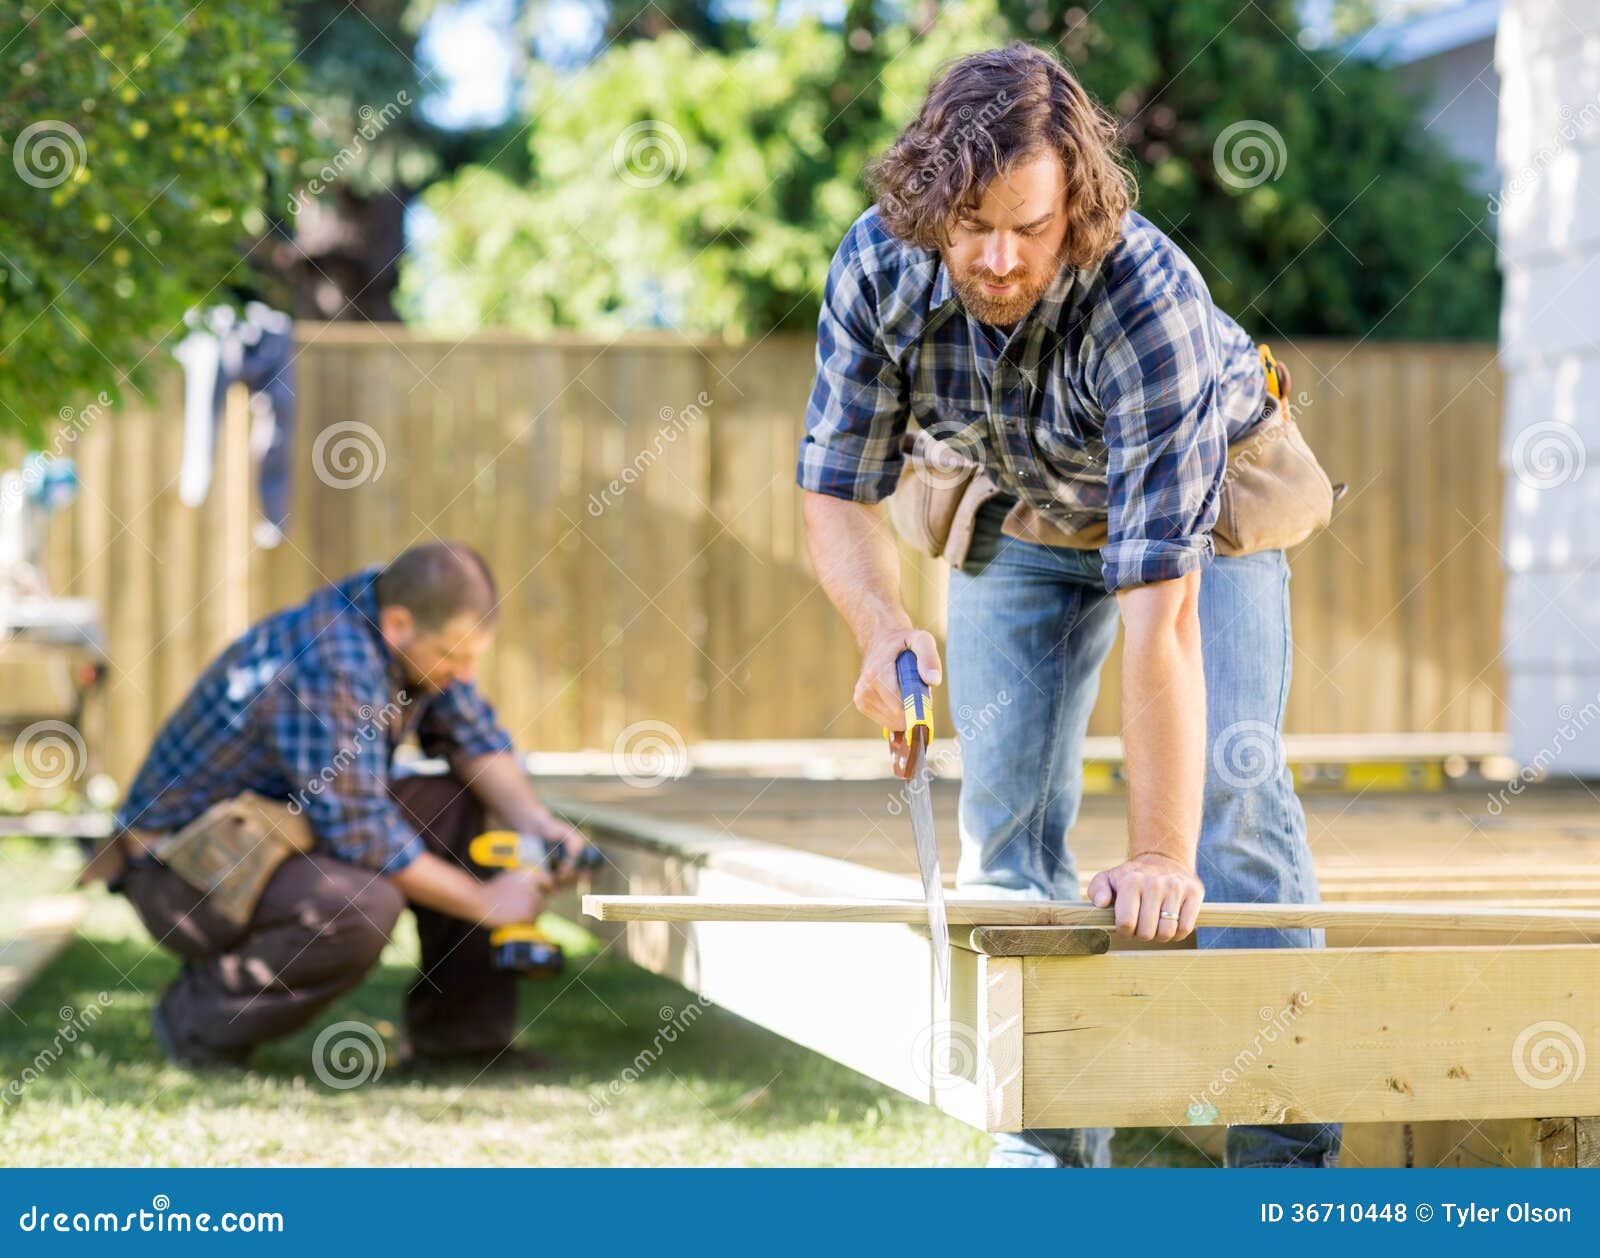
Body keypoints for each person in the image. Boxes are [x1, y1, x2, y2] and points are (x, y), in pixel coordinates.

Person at [796, 42, 1339, 1168]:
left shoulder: (1149, 299)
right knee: (1005, 830)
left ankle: (1284, 1164)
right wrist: (881, 626)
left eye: (1029, 227)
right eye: (971, 223)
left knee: (1232, 793)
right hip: (1023, 501)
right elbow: (835, 488)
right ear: (926, 199)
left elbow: (1163, 615)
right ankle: (1042, 1160)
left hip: (1204, 510)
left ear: (1075, 207)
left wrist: (1155, 852)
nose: (997, 258)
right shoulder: (875, 269)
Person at [90, 541, 587, 1071]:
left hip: (275, 831)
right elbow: (362, 832)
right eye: (453, 656)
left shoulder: (412, 624)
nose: (463, 674)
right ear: (398, 625)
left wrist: (535, 823)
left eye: (472, 659)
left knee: (457, 804)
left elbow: (474, 736)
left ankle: (460, 1043)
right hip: (182, 873)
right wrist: (485, 901)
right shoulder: (331, 661)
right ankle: (197, 1020)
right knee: (359, 907)